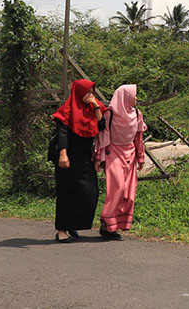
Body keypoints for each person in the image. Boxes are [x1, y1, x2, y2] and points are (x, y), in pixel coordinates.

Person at [52, 78, 105, 242]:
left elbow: (101, 126)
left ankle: (73, 224)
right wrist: (63, 154)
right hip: (68, 154)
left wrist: (95, 105)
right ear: (79, 92)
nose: (90, 95)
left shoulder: (92, 109)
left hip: (85, 156)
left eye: (92, 92)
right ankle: (62, 230)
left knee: (89, 192)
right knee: (67, 191)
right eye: (87, 92)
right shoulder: (67, 110)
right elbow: (63, 133)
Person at [94, 84, 146, 240]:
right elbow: (102, 136)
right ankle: (108, 223)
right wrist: (98, 157)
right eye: (134, 95)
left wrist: (141, 156)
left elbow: (138, 137)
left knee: (128, 192)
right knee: (116, 188)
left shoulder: (137, 114)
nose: (136, 98)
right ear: (125, 96)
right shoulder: (110, 114)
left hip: (130, 154)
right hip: (113, 153)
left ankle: (111, 225)